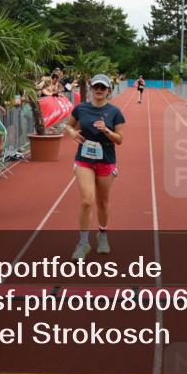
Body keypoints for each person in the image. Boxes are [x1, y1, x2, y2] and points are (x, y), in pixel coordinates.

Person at [63, 74, 125, 260]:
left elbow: (120, 140)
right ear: (91, 88)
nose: (99, 90)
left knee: (103, 202)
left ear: (108, 90)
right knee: (87, 201)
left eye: (103, 88)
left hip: (106, 160)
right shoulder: (81, 108)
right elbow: (68, 126)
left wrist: (107, 131)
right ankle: (83, 243)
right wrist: (73, 132)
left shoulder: (115, 112)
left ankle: (103, 234)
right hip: (84, 159)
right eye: (96, 87)